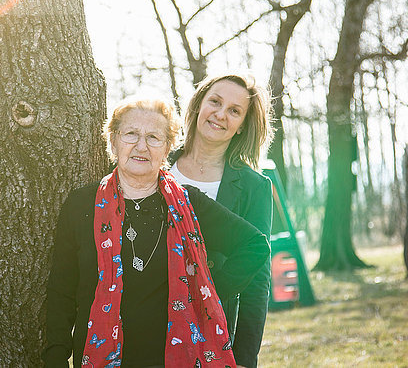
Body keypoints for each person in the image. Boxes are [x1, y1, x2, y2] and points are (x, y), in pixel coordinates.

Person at [42, 98, 270, 368]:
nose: (141, 146)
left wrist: (203, 291)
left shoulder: (188, 204)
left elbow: (255, 245)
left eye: (153, 137)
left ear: (166, 150)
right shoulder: (82, 204)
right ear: (113, 142)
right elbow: (61, 293)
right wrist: (55, 359)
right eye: (131, 134)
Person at [168, 73, 274, 368]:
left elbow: (258, 281)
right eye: (215, 101)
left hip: (213, 333)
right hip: (145, 329)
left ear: (242, 127)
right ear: (199, 104)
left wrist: (243, 358)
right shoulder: (156, 164)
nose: (220, 114)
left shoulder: (255, 187)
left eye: (234, 111)